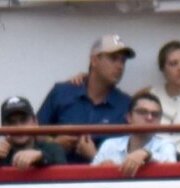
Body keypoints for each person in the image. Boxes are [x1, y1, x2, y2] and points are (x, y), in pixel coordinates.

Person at [37, 34, 136, 163]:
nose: (120, 66)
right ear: (94, 60)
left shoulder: (126, 104)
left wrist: (94, 155)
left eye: (123, 61)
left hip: (104, 180)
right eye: (113, 58)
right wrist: (54, 144)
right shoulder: (62, 92)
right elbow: (35, 132)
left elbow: (130, 150)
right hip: (57, 177)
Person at [91, 92, 177, 176]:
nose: (149, 117)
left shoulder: (166, 145)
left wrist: (146, 154)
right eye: (142, 112)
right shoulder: (110, 145)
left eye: (155, 114)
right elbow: (90, 176)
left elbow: (171, 168)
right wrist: (102, 170)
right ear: (129, 117)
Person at [0, 96, 66, 169]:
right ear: (4, 127)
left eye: (24, 120)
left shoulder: (52, 148)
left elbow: (62, 169)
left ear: (35, 122)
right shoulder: (2, 154)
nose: (19, 127)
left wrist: (41, 157)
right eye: (11, 122)